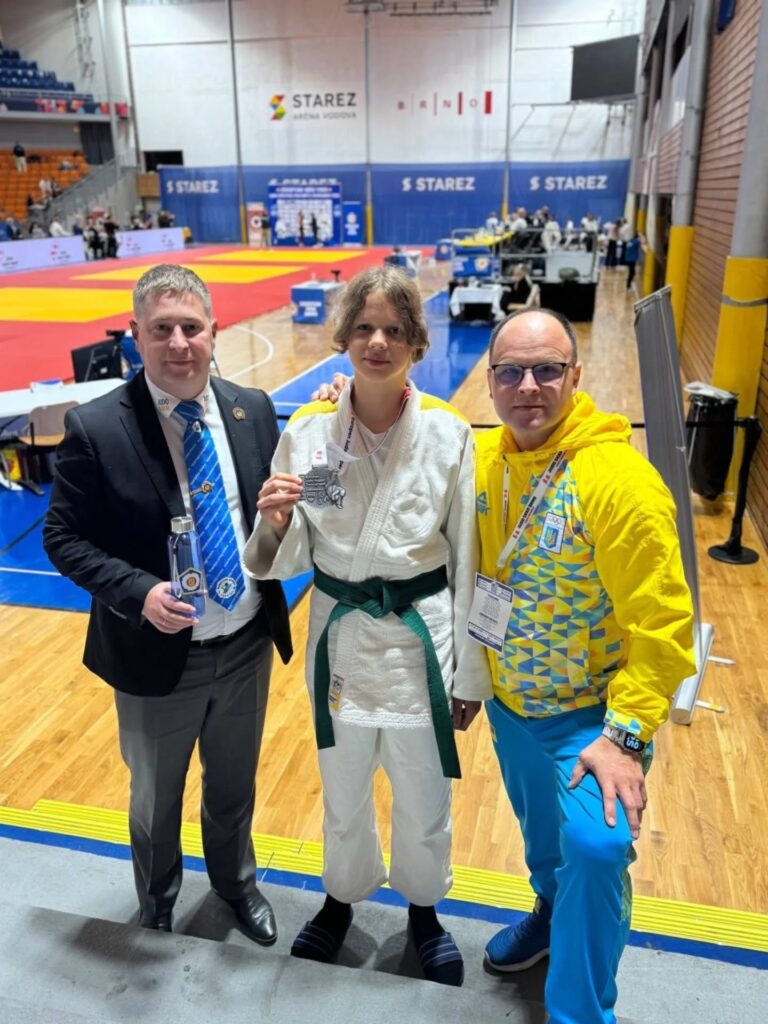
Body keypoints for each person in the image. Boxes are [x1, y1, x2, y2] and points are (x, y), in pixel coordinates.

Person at [242, 265, 491, 986]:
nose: (377, 342)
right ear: (344, 338)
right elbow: (300, 545)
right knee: (343, 785)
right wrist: (275, 520)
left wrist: (470, 673)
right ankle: (339, 899)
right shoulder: (312, 431)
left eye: (393, 330)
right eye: (363, 328)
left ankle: (424, 912)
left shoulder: (448, 433)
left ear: (416, 342)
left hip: (421, 641)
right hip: (343, 636)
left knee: (424, 792)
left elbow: (468, 560)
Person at [43, 264, 292, 942]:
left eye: (191, 327)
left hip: (245, 643)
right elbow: (62, 538)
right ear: (137, 336)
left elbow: (275, 511)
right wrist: (139, 592)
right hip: (156, 655)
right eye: (161, 330)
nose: (178, 343)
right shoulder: (97, 427)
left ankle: (236, 885)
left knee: (233, 787)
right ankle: (157, 902)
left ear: (214, 332)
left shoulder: (252, 408)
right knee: (156, 799)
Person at [477, 308, 696, 1024]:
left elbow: (664, 624)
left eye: (546, 370)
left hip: (592, 723)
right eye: (511, 372)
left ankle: (581, 1015)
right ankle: (548, 914)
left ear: (575, 376)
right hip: (512, 707)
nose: (528, 387)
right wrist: (340, 399)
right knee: (546, 844)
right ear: (490, 381)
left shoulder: (617, 479)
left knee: (597, 850)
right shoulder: (486, 461)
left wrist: (625, 736)